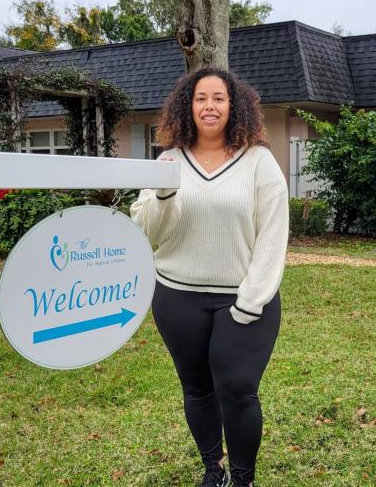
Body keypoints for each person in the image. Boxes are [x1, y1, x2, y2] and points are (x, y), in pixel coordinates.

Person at [129, 67, 289, 487]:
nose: (209, 106)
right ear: (188, 105)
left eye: (219, 98)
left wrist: (251, 302)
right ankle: (212, 469)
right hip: (177, 297)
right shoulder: (167, 162)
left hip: (242, 300)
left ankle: (242, 478)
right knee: (197, 388)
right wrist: (164, 193)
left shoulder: (259, 161)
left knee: (237, 389)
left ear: (233, 106)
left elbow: (273, 236)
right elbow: (148, 232)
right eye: (201, 98)